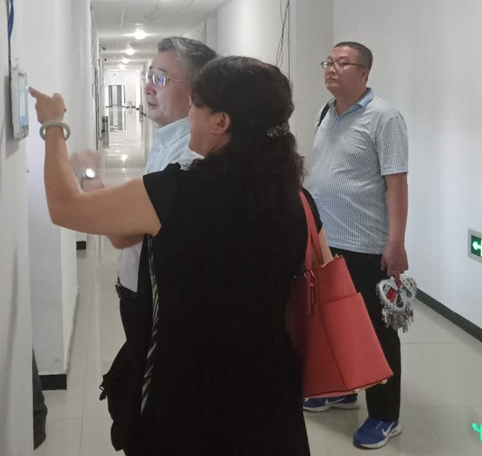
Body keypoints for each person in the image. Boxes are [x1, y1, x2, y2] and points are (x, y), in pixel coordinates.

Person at [30, 57, 335, 456]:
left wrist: (54, 126)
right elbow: (322, 269)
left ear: (220, 122)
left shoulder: (173, 193)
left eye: (196, 105)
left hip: (188, 388)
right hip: (269, 387)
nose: (189, 114)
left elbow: (66, 208)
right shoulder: (298, 199)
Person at [74, 37, 216, 361]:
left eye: (161, 79)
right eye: (149, 76)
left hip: (159, 300)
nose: (149, 87)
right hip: (141, 291)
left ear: (195, 92)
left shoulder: (188, 155)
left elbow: (121, 233)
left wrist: (87, 174)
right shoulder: (167, 139)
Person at [305, 41, 409, 450]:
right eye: (328, 62)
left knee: (377, 331)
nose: (331, 68)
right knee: (335, 322)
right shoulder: (326, 112)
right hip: (328, 241)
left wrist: (396, 243)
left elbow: (396, 184)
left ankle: (385, 414)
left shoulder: (384, 117)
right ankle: (344, 391)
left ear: (363, 73)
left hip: (367, 244)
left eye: (341, 63)